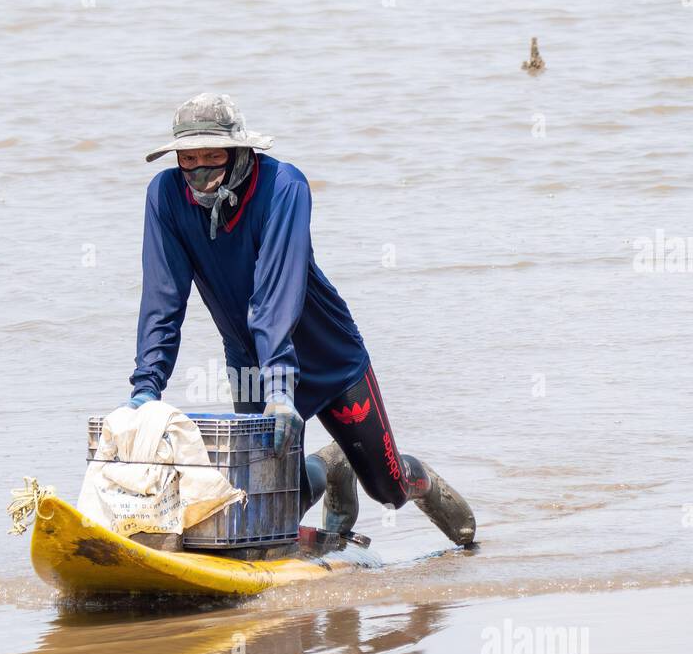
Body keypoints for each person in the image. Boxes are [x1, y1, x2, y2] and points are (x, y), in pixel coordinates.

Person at [125, 92, 474, 546]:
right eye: (189, 158)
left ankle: (419, 482)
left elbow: (274, 293)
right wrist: (146, 386)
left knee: (387, 490)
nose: (200, 169)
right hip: (251, 366)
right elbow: (163, 296)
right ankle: (329, 468)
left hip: (328, 359)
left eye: (213, 155)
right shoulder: (166, 196)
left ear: (240, 153)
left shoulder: (283, 187)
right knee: (268, 503)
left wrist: (280, 390)